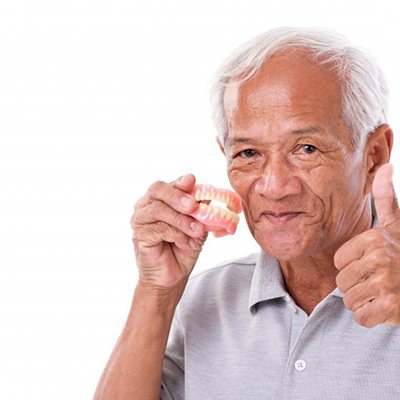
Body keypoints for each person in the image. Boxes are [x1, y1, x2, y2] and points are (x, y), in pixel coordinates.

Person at [93, 27, 400, 400]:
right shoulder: (204, 300)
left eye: (306, 148)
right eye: (249, 154)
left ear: (374, 156)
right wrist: (156, 294)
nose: (274, 186)